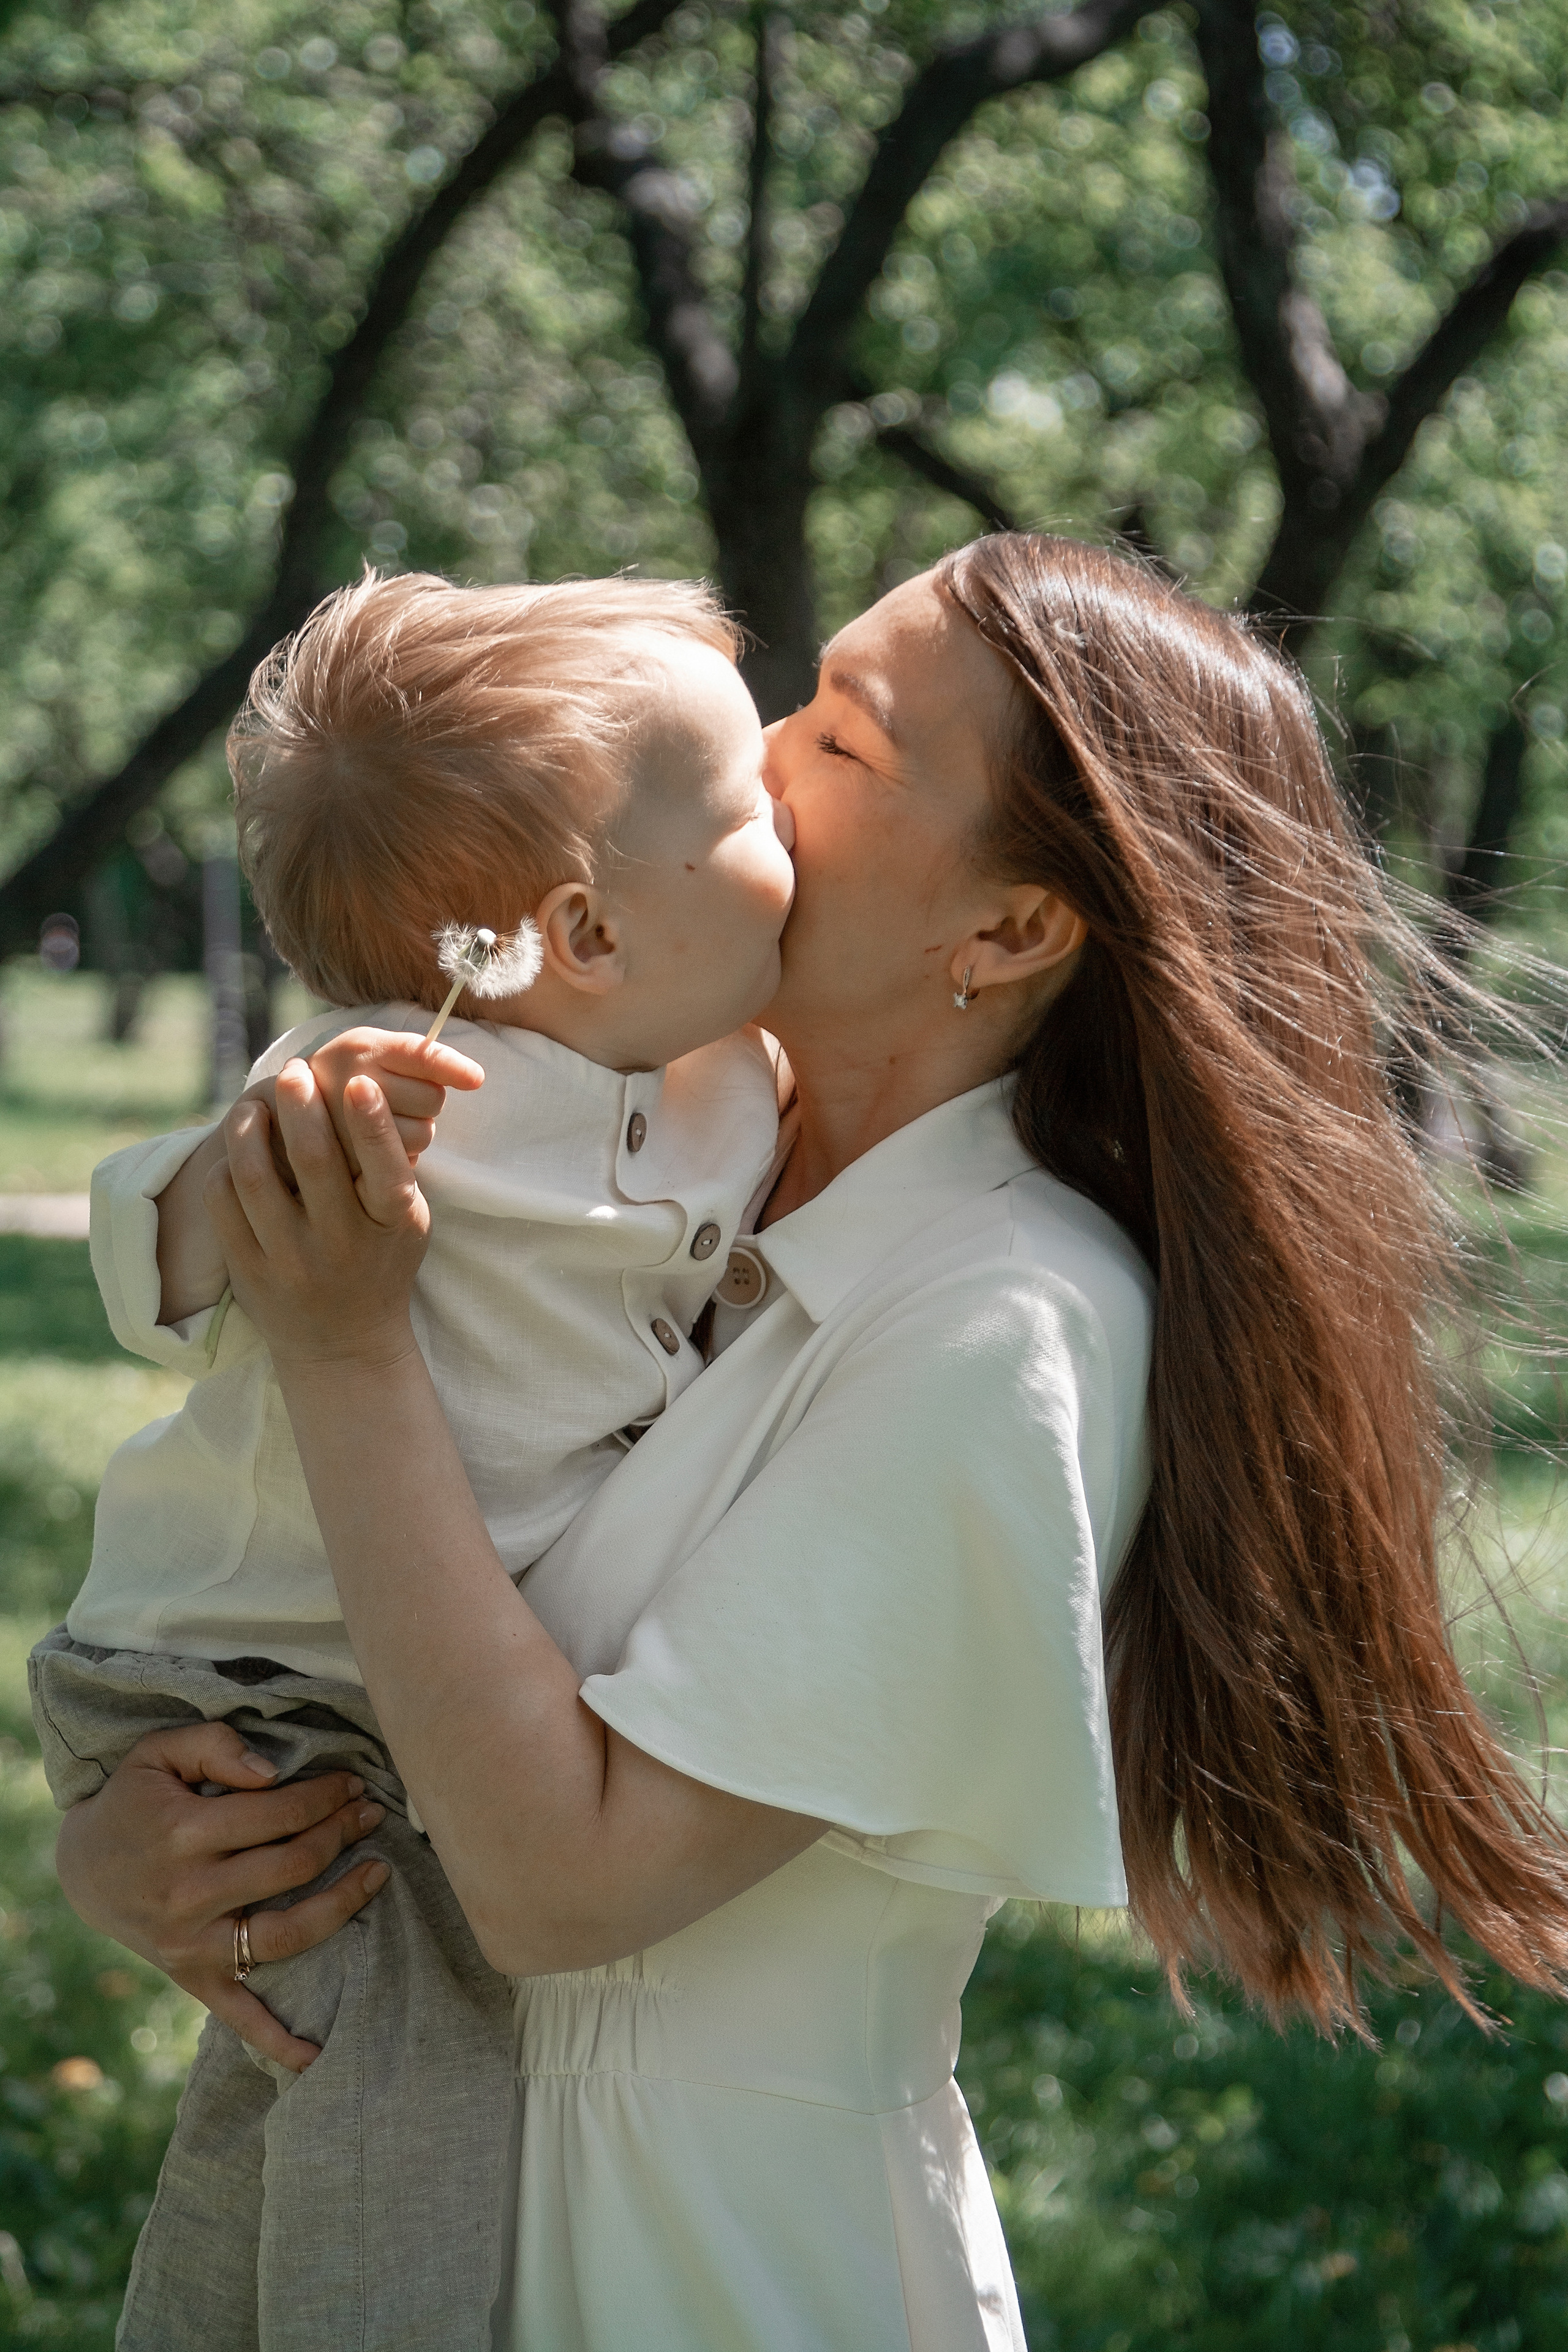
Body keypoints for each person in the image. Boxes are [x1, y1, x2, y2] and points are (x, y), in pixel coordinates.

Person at [57, 535, 1568, 2352]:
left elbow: (558, 1885)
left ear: (1006, 931)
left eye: (846, 743)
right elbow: (383, 1651)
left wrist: (347, 1350)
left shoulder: (1002, 1328)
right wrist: (170, 1844)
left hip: (701, 2270)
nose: (761, 757)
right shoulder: (657, 1157)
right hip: (418, 2179)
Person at [31, 568, 794, 2350]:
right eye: (751, 803)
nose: (793, 819)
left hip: (405, 1694)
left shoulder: (739, 1074)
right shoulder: (390, 1094)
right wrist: (249, 1172)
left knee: (301, 2102)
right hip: (245, 1687)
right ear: (581, 934)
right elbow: (144, 1252)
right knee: (397, 2107)